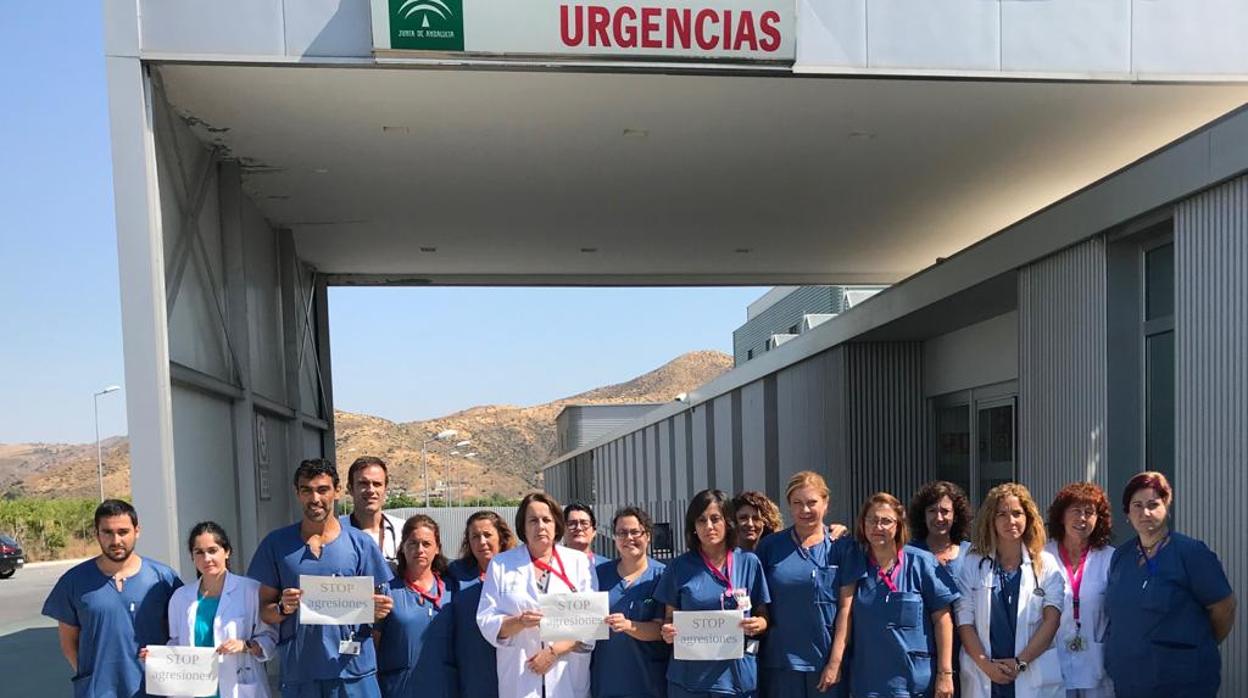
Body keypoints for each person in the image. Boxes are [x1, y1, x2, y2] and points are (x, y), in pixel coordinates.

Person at [247, 458, 395, 698]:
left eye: (323, 490)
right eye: (306, 490)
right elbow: (265, 611)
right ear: (297, 493)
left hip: (353, 672)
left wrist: (379, 610)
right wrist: (284, 607)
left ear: (337, 491)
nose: (315, 498)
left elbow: (379, 608)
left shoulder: (361, 544)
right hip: (301, 673)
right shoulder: (276, 544)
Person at [1104, 472, 1236, 698]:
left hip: (1181, 683)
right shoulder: (1121, 556)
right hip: (1129, 681)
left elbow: (1224, 607)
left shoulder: (1191, 553)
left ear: (1167, 506)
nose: (1145, 513)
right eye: (1137, 505)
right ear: (1127, 513)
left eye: (1153, 504)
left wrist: (1199, 643)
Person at [43, 499, 184, 698]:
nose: (116, 540)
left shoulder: (163, 579)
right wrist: (91, 677)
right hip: (97, 691)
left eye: (123, 532)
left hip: (153, 690)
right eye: (107, 532)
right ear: (97, 534)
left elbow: (180, 634)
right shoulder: (74, 581)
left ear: (137, 531)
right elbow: (68, 643)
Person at [477, 492, 597, 698]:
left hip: (566, 678)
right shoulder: (501, 564)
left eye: (546, 520)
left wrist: (553, 653)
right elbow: (486, 621)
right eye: (533, 520)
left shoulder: (579, 563)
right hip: (520, 678)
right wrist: (519, 622)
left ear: (556, 525)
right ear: (523, 527)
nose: (540, 526)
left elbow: (592, 622)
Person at [841, 491, 958, 698]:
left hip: (915, 684)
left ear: (898, 525)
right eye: (872, 520)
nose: (878, 527)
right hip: (868, 683)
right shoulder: (855, 562)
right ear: (862, 524)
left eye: (886, 521)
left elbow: (943, 619)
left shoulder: (921, 562)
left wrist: (945, 673)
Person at [657, 488, 770, 698]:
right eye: (701, 520)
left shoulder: (749, 563)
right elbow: (668, 618)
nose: (709, 526)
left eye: (715, 519)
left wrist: (758, 624)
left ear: (728, 522)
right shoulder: (678, 567)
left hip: (736, 679)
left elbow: (763, 615)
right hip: (689, 682)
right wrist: (668, 631)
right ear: (693, 527)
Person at [955, 483, 1064, 698]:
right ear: (991, 520)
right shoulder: (973, 563)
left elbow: (1052, 621)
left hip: (1030, 672)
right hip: (984, 675)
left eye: (1017, 513)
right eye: (1002, 514)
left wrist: (1020, 662)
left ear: (1028, 518)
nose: (1010, 521)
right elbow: (964, 621)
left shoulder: (1046, 564)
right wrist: (985, 665)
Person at [755, 471, 855, 698]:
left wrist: (835, 662)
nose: (805, 510)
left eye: (812, 502)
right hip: (780, 664)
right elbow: (759, 602)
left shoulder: (841, 546)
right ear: (789, 506)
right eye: (797, 503)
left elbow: (846, 609)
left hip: (825, 663)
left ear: (826, 503)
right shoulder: (770, 547)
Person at [167, 521, 278, 698]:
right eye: (199, 552)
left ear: (227, 552)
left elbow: (270, 638)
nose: (206, 559)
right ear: (192, 557)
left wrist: (245, 646)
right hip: (195, 690)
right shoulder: (180, 597)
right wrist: (157, 658)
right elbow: (176, 643)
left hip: (238, 689)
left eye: (212, 550)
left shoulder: (251, 590)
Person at [1042, 483, 1114, 698]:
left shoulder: (1110, 558)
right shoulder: (1042, 556)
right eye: (1075, 510)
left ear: (1098, 519)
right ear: (1061, 516)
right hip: (1053, 662)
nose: (1082, 518)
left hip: (1097, 667)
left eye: (1089, 512)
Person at [375, 515, 457, 698]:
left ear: (437, 548)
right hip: (399, 690)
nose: (420, 550)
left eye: (426, 544)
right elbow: (373, 645)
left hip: (444, 689)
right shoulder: (387, 591)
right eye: (413, 543)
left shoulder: (452, 590)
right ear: (402, 547)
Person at [592, 506, 669, 698]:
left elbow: (662, 630)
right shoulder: (599, 575)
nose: (629, 538)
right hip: (606, 682)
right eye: (622, 533)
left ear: (648, 536)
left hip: (648, 685)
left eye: (635, 532)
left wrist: (628, 625)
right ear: (615, 538)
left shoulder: (662, 576)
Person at [910, 480, 975, 696]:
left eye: (945, 511)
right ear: (922, 515)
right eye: (932, 511)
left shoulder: (972, 554)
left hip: (968, 654)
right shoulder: (908, 553)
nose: (939, 518)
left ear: (956, 515)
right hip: (921, 656)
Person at [448, 510, 517, 698]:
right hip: (473, 670)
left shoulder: (519, 571)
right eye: (475, 537)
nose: (482, 542)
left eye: (487, 535)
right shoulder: (456, 572)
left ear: (501, 537)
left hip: (513, 665)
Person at [341, 456, 406, 571]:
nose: (371, 490)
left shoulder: (403, 531)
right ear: (350, 488)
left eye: (377, 484)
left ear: (385, 489)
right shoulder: (335, 532)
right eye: (363, 483)